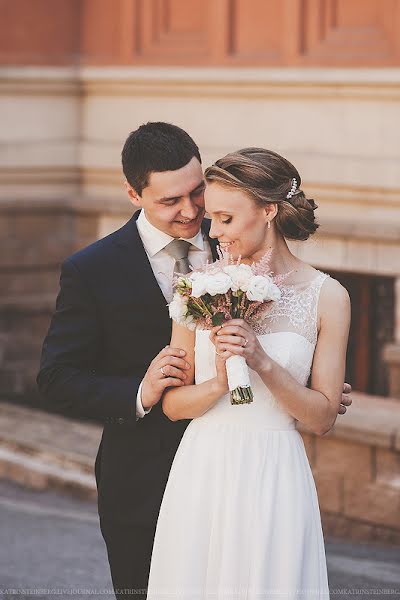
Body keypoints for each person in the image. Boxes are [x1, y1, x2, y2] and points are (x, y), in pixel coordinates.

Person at [37, 124, 352, 599]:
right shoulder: (92, 269)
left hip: (265, 472)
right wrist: (142, 393)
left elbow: (311, 381)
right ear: (132, 193)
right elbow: (56, 377)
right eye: (170, 202)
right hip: (150, 477)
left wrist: (299, 380)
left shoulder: (232, 228)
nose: (192, 213)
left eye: (197, 195)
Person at [146, 148, 351, 600]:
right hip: (203, 469)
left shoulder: (328, 297)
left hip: (276, 474)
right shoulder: (196, 288)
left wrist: (261, 362)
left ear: (269, 211)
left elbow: (321, 418)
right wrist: (219, 381)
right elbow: (174, 406)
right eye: (212, 219)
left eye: (225, 219)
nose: (213, 232)